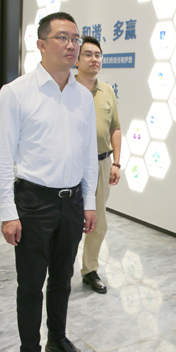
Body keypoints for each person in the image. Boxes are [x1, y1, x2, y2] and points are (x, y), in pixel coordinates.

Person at [0, 12, 98, 352]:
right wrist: (8, 212)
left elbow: (88, 154)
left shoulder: (83, 95)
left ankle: (57, 339)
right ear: (41, 44)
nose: (72, 45)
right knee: (30, 284)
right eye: (62, 38)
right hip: (33, 201)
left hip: (71, 202)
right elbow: (4, 157)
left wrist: (89, 202)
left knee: (62, 279)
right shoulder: (16, 92)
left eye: (75, 38)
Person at [74, 35, 121, 294]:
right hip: (73, 166)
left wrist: (117, 163)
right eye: (88, 54)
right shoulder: (67, 88)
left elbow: (115, 128)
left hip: (102, 163)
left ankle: (90, 270)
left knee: (98, 221)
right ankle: (61, 271)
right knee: (71, 221)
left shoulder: (107, 91)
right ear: (77, 60)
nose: (94, 59)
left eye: (98, 55)